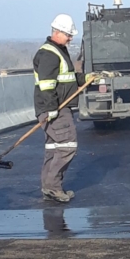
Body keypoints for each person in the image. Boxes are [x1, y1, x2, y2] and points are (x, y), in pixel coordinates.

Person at [33, 14, 92, 203]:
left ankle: (49, 186)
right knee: (68, 146)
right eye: (67, 34)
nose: (70, 38)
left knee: (53, 148)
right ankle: (52, 187)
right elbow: (47, 85)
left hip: (57, 107)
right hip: (56, 108)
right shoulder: (50, 54)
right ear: (56, 32)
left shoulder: (58, 51)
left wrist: (87, 78)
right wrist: (51, 109)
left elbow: (67, 79)